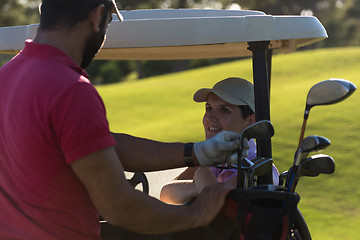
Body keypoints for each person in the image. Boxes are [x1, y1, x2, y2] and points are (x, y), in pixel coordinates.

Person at [0, 1, 243, 239]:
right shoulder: (70, 89)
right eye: (109, 22)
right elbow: (119, 206)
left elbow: (104, 146)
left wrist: (196, 152)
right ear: (97, 16)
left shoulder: (7, 75)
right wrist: (197, 215)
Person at [160, 77, 280, 205]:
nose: (210, 117)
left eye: (224, 110)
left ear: (250, 121)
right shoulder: (209, 158)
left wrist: (202, 181)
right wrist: (198, 186)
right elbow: (166, 194)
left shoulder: (260, 168)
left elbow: (222, 199)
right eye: (209, 108)